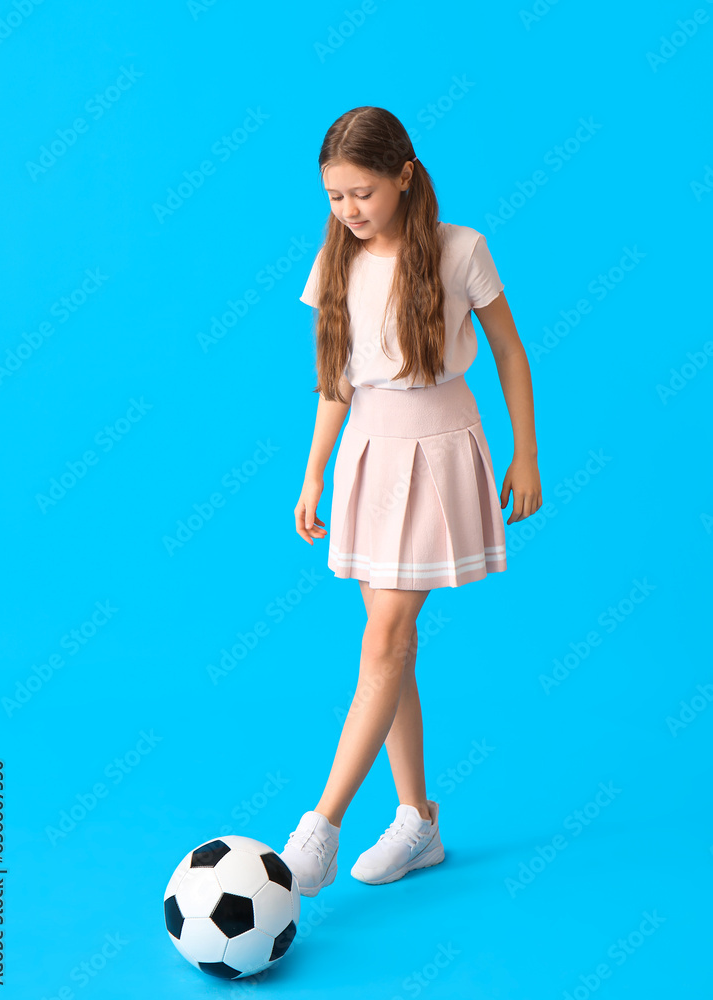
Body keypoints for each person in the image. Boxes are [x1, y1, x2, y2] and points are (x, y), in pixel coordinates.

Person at [279, 106, 542, 895]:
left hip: (438, 452)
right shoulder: (334, 262)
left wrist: (526, 454)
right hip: (368, 454)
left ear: (404, 174)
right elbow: (336, 381)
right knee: (387, 643)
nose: (348, 210)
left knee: (386, 634)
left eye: (360, 192)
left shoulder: (461, 249)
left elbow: (508, 352)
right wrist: (313, 471)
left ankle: (318, 827)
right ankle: (416, 820)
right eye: (334, 197)